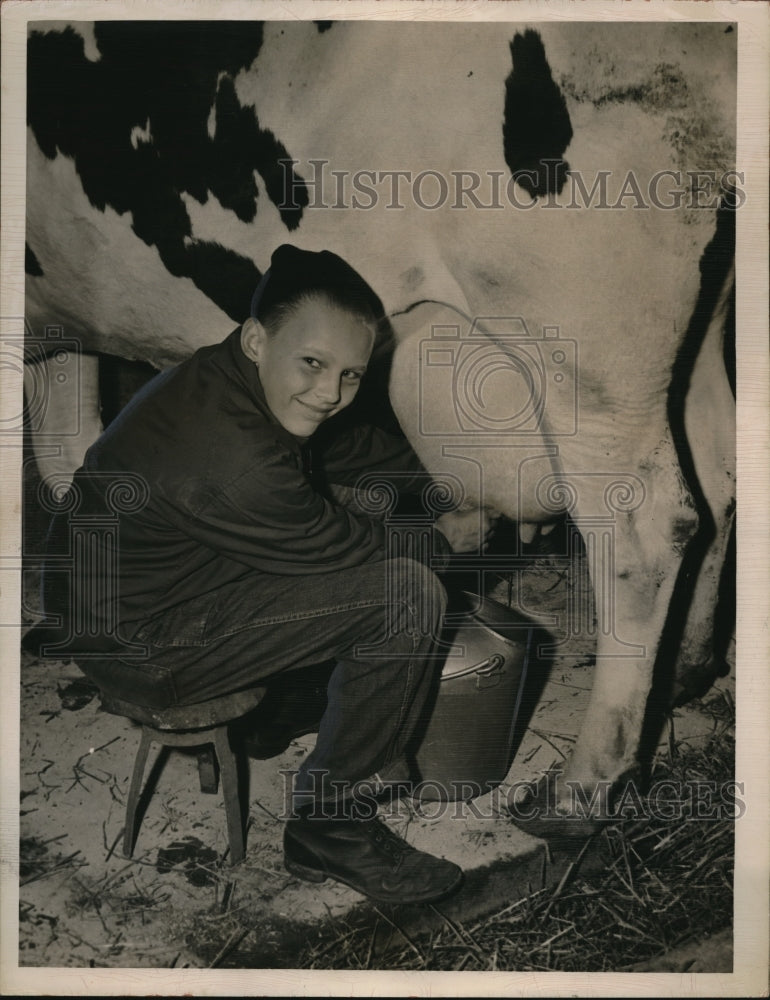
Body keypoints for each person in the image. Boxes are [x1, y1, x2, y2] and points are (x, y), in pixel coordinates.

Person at [47, 244, 492, 905]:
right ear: (258, 338)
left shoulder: (228, 376)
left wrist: (452, 471)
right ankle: (329, 827)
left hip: (126, 590)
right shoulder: (233, 460)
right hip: (142, 641)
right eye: (313, 364)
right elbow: (344, 547)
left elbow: (348, 446)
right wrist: (447, 537)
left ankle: (276, 712)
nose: (330, 393)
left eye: (350, 375)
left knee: (357, 499)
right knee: (406, 596)